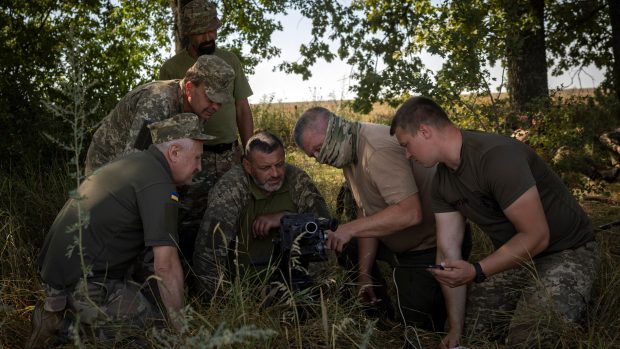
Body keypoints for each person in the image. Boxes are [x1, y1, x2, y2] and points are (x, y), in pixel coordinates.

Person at [390, 96, 599, 348]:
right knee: (467, 329)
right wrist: (456, 330)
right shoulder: (441, 183)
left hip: (567, 250)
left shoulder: (496, 156)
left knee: (530, 337)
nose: (407, 155)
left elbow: (537, 236)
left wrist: (478, 270)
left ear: (424, 131)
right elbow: (448, 252)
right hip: (516, 259)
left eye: (407, 145)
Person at [27, 113, 213, 348]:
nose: (199, 166)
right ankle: (63, 329)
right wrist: (182, 331)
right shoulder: (159, 184)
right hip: (83, 284)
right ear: (174, 152)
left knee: (151, 299)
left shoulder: (134, 163)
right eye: (197, 158)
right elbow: (165, 266)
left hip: (58, 276)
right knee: (157, 330)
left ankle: (57, 314)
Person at [293, 107, 450, 332]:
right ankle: (379, 313)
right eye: (313, 155)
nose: (320, 159)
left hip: (428, 248)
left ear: (333, 129)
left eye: (319, 148)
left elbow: (410, 213)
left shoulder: (374, 149)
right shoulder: (347, 149)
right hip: (396, 241)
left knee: (417, 331)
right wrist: (364, 275)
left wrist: (350, 228)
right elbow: (366, 210)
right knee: (347, 246)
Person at [159, 0, 255, 252]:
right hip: (192, 159)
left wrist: (250, 152)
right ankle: (190, 277)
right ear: (188, 33)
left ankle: (230, 273)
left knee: (235, 218)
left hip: (230, 156)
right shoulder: (172, 68)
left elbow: (243, 109)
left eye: (212, 29)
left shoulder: (230, 61)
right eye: (201, 32)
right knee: (189, 222)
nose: (209, 37)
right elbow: (169, 118)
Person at [193, 131, 330, 300]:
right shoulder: (231, 188)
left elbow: (326, 231)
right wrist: (219, 305)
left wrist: (285, 218)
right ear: (248, 166)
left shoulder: (297, 180)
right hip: (240, 291)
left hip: (293, 286)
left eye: (280, 164)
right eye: (265, 168)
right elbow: (208, 253)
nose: (275, 174)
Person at [84, 54, 235, 175]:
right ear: (189, 88)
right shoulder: (156, 102)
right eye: (211, 98)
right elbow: (135, 163)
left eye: (221, 101)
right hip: (108, 166)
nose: (215, 107)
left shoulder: (199, 107)